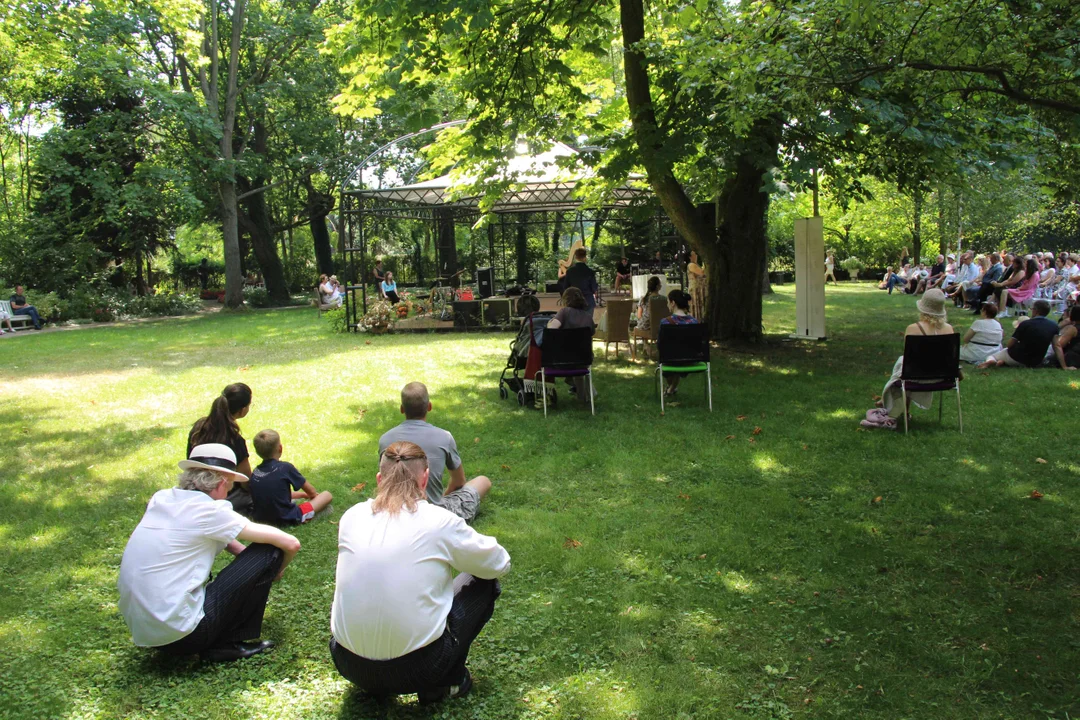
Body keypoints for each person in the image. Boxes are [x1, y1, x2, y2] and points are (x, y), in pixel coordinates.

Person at [330, 441, 510, 703]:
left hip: (348, 664)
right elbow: (498, 563)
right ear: (425, 478)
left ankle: (374, 685)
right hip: (420, 670)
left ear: (380, 479)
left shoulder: (352, 517)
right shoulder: (438, 521)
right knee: (482, 580)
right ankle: (448, 683)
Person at [118, 444, 301, 662]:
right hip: (187, 636)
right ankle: (229, 642)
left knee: (256, 554)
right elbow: (290, 543)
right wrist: (276, 569)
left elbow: (215, 533)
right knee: (270, 548)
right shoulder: (210, 510)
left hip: (146, 632)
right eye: (230, 487)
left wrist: (244, 557)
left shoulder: (162, 498)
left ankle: (213, 634)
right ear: (222, 483)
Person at [378, 382, 492, 522]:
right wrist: (442, 498)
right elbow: (459, 481)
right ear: (429, 407)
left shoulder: (385, 439)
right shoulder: (444, 437)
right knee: (483, 481)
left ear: (402, 409)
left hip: (395, 512)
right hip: (435, 515)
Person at [879, 289, 955, 422]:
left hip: (915, 376)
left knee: (904, 366)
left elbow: (909, 355)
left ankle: (896, 406)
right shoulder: (949, 329)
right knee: (907, 366)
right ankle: (900, 408)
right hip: (942, 377)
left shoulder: (913, 328)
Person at [188, 383, 255, 515]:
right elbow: (245, 480)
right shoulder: (234, 439)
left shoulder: (199, 428)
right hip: (224, 494)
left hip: (194, 490)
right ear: (242, 410)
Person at [250, 429, 333, 525]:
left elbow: (278, 495)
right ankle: (305, 515)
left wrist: (303, 495)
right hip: (288, 518)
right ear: (280, 448)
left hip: (260, 519)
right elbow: (312, 492)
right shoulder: (285, 468)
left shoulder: (256, 472)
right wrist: (312, 498)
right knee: (327, 495)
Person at [978, 300, 1059, 369]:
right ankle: (1002, 362)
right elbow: (1057, 346)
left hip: (1017, 357)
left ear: (1036, 310)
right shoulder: (1054, 326)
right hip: (1035, 362)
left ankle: (992, 361)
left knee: (993, 356)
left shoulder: (1026, 324)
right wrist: (1064, 366)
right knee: (1007, 357)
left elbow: (1010, 344)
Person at [659, 289, 700, 397]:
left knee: (670, 357)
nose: (668, 304)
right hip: (691, 359)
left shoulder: (665, 322)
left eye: (668, 302)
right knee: (676, 355)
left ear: (673, 303)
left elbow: (660, 344)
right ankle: (671, 389)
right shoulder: (694, 322)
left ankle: (671, 388)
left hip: (670, 359)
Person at [687, 251, 707, 316]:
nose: (696, 255)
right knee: (696, 305)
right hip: (696, 290)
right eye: (694, 254)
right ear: (690, 257)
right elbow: (702, 272)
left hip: (700, 289)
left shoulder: (696, 264)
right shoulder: (691, 265)